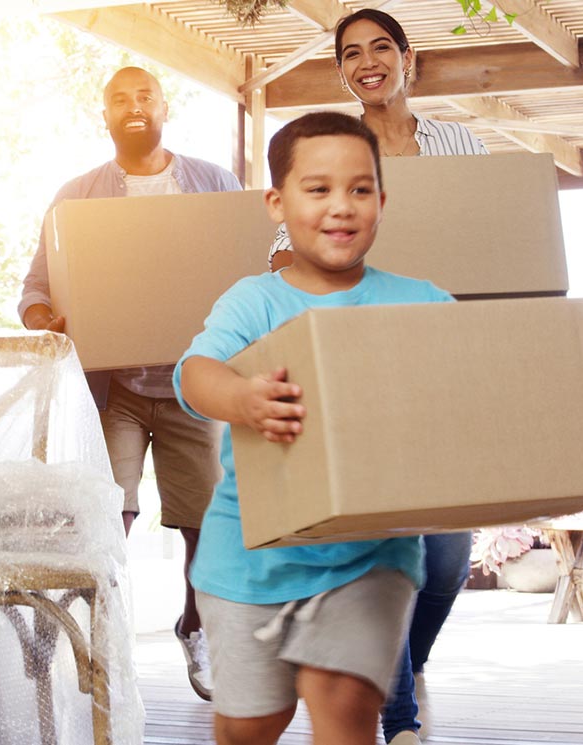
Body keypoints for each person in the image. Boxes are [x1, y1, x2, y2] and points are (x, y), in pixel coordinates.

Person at [175, 111, 450, 745]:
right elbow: (195, 374)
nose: (342, 208)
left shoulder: (423, 304)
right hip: (249, 561)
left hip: (370, 556)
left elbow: (461, 393)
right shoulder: (254, 302)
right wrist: (243, 398)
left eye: (360, 190)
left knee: (344, 703)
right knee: (252, 724)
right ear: (277, 202)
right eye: (318, 189)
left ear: (382, 200)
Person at [265, 11, 488, 742]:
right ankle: (401, 721)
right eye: (351, 53)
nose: (367, 62)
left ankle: (399, 663)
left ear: (406, 58)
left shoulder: (459, 144)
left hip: (446, 362)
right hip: (362, 363)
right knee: (389, 548)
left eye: (380, 48)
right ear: (342, 70)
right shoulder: (331, 147)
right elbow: (279, 250)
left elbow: (499, 232)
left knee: (449, 553)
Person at [18, 65, 237, 702]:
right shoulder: (76, 196)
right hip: (114, 389)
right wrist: (44, 318)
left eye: (145, 96)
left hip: (191, 383)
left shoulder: (214, 184)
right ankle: (87, 631)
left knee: (205, 524)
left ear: (165, 107)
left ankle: (195, 626)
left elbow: (264, 249)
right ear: (105, 115)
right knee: (107, 514)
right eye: (120, 99)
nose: (133, 106)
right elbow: (37, 286)